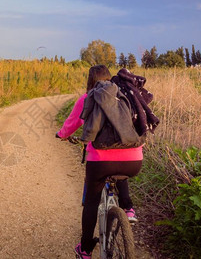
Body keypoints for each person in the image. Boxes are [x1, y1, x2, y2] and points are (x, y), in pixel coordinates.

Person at [56, 65, 146, 259]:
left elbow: (71, 124)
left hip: (100, 162)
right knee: (120, 167)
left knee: (91, 202)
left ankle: (86, 249)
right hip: (134, 161)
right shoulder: (125, 96)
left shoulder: (87, 98)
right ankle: (128, 209)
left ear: (90, 81)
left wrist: (61, 135)